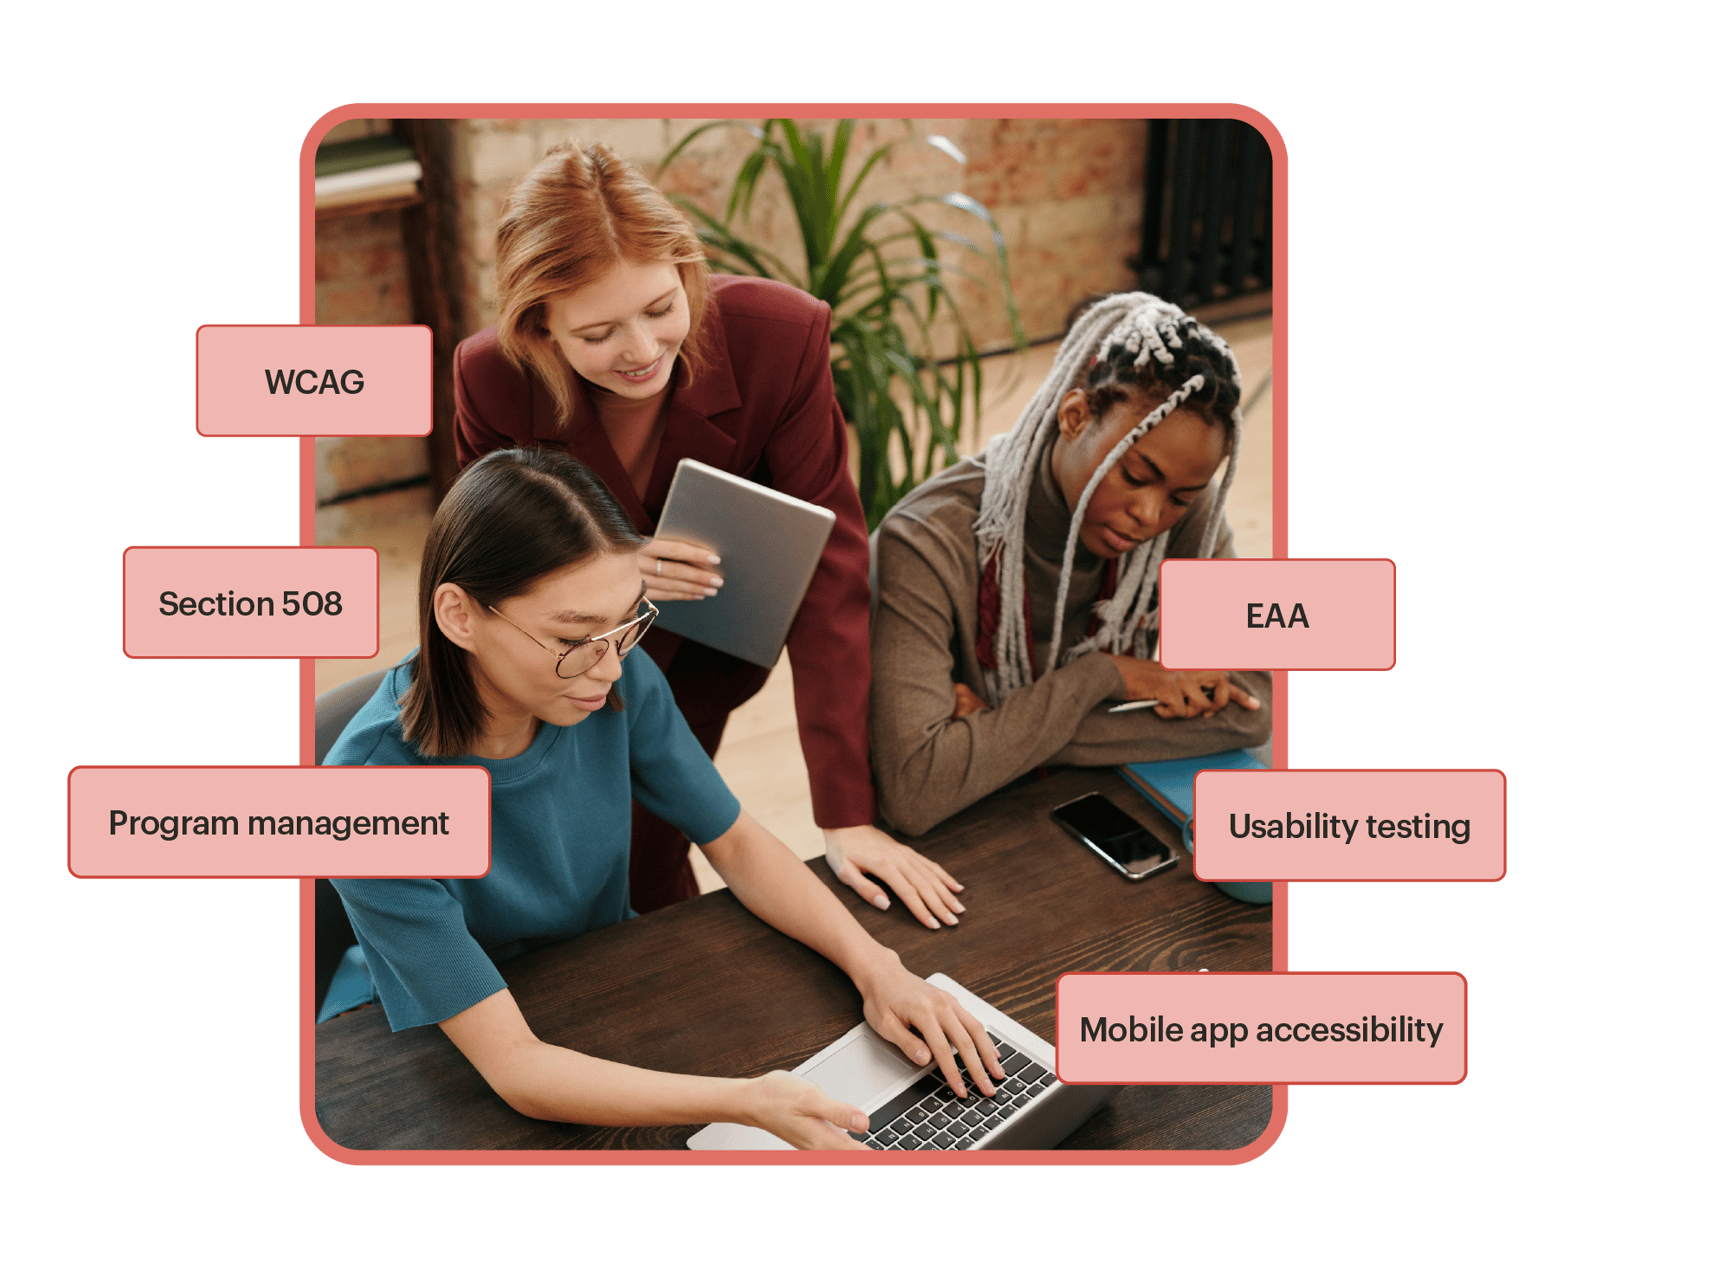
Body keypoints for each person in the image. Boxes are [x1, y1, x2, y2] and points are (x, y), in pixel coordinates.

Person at [325, 448, 1003, 1149]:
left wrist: (878, 969)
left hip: (607, 986)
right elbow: (516, 1067)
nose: (611, 664)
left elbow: (735, 841)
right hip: (455, 1057)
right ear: (459, 616)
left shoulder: (615, 681)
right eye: (572, 637)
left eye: (626, 624)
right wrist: (751, 1102)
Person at [449, 139, 961, 929]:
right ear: (540, 328)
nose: (643, 350)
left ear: (686, 269)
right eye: (598, 334)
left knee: (652, 854)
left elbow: (832, 577)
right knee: (546, 868)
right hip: (553, 660)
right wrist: (614, 567)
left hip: (702, 656)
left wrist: (845, 814)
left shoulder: (780, 339)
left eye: (661, 308)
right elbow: (486, 563)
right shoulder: (490, 377)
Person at [869, 292, 1272, 836]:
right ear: (1076, 416)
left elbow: (1251, 709)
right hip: (959, 844)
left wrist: (994, 723)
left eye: (1179, 496)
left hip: (1095, 804)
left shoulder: (1189, 516)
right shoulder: (925, 539)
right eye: (1134, 475)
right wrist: (1108, 677)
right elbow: (917, 788)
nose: (1151, 513)